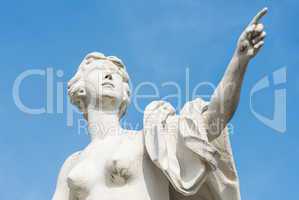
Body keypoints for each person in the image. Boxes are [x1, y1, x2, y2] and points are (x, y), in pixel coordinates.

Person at [52, 8, 268, 200]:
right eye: (99, 72)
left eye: (115, 75)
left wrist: (239, 61)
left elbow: (212, 120)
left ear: (125, 94)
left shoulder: (150, 139)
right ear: (79, 89)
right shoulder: (72, 165)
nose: (109, 77)